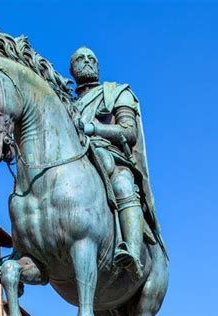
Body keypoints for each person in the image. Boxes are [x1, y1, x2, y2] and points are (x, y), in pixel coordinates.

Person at [70, 47, 163, 281]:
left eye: (92, 59)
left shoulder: (117, 93)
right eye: (80, 59)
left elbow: (129, 131)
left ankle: (132, 251)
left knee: (122, 183)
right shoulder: (68, 105)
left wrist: (95, 128)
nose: (87, 62)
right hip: (77, 158)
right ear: (72, 69)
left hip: (111, 155)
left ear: (98, 67)